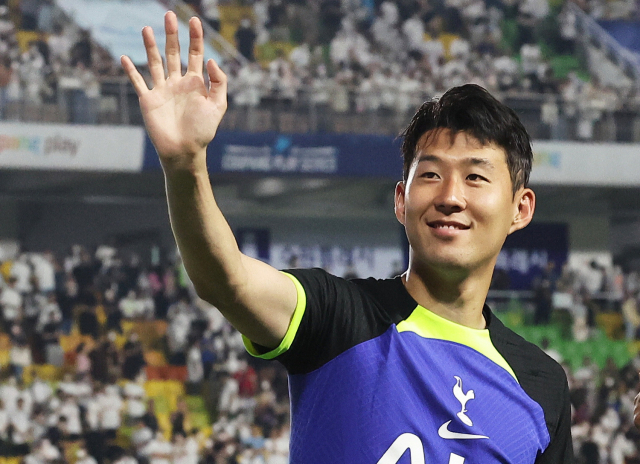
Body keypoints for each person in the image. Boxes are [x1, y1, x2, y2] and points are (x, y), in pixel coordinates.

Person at [121, 12, 573, 462]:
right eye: (431, 174)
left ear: (520, 209)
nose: (451, 196)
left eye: (475, 177)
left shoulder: (541, 386)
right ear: (402, 201)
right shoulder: (339, 318)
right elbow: (227, 280)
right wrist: (185, 166)